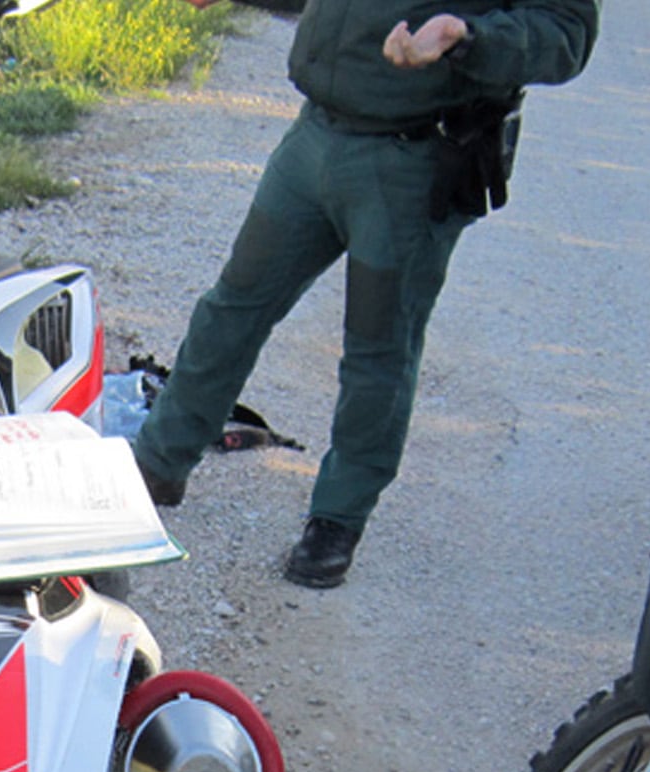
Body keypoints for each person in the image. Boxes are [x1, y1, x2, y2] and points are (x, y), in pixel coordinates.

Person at [132, 0, 600, 588]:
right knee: (234, 305)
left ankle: (337, 519)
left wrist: (466, 37)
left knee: (379, 349)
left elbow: (566, 34)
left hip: (414, 156)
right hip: (317, 133)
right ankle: (158, 462)